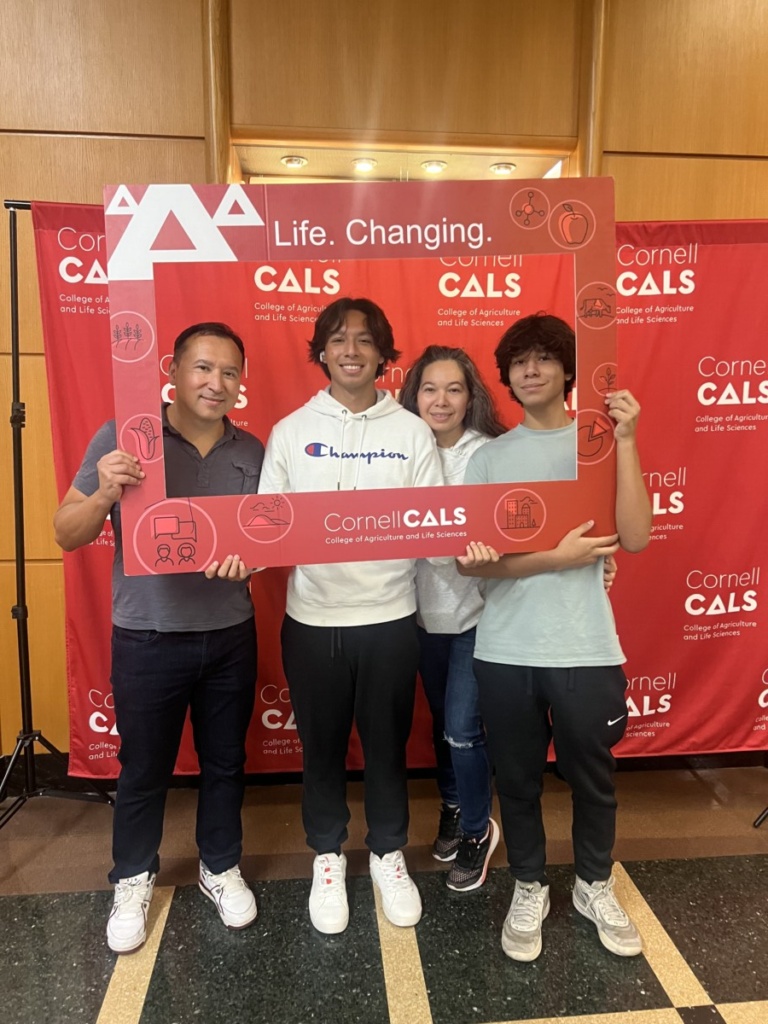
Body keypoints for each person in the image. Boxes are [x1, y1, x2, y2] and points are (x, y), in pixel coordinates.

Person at [53, 323, 264, 954]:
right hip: (147, 636)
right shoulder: (124, 436)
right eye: (203, 368)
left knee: (226, 762)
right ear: (172, 371)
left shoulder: (252, 450)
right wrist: (106, 491)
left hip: (229, 634)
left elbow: (268, 537)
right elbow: (66, 532)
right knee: (144, 767)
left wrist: (253, 560)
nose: (216, 383)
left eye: (229, 372)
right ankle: (133, 876)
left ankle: (220, 865)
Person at [458, 312, 652, 962]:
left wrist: (628, 440)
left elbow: (636, 536)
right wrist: (556, 558)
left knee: (593, 780)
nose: (531, 370)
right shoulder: (490, 459)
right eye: (519, 362)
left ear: (568, 370)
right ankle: (530, 885)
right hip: (506, 650)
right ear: (507, 376)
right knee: (516, 780)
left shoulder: (598, 444)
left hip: (585, 647)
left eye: (544, 358)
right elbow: (472, 564)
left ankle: (594, 885)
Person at [258, 297, 444, 934]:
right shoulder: (290, 431)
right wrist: (241, 554)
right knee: (321, 749)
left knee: (388, 747)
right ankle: (328, 856)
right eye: (338, 339)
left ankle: (389, 853)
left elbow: (434, 526)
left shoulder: (411, 432)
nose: (352, 351)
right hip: (313, 620)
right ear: (321, 352)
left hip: (390, 616)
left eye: (365, 340)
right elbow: (267, 524)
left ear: (384, 354)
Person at [398, 345, 505, 891]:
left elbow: (489, 540)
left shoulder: (488, 454)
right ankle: (454, 805)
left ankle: (477, 828)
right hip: (416, 618)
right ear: (413, 395)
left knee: (463, 730)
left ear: (470, 397)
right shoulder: (396, 448)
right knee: (444, 726)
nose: (441, 401)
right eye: (430, 389)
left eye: (454, 389)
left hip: (476, 616)